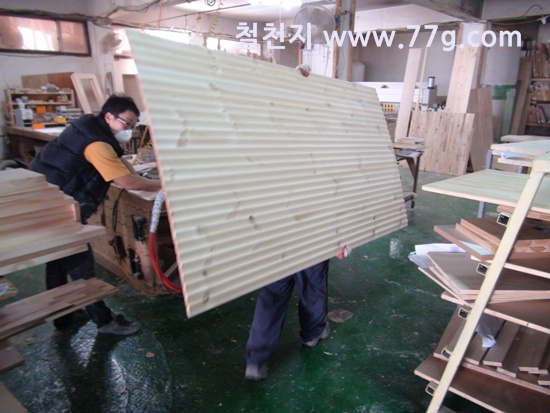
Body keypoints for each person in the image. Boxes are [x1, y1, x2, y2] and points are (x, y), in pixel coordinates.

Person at [29, 93, 161, 335]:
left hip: (48, 203)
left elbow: (122, 164)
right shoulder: (97, 145)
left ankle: (64, 319)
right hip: (60, 211)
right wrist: (163, 185)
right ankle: (105, 321)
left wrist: (143, 178)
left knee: (57, 261)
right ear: (109, 116)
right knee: (82, 269)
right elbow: (127, 182)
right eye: (126, 123)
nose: (128, 130)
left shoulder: (92, 126)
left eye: (133, 125)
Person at [244, 260, 331, 381]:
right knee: (313, 284)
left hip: (277, 250)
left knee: (273, 293)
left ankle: (256, 361)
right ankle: (313, 334)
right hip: (309, 249)